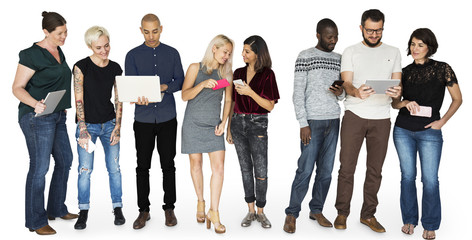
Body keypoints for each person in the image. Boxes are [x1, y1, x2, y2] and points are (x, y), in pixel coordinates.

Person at [333, 9, 402, 233]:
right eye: (370, 30)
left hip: (382, 118)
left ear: (383, 28)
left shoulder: (394, 51)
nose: (374, 34)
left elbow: (398, 89)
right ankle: (342, 213)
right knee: (347, 168)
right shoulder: (351, 51)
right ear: (361, 28)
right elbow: (347, 83)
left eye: (378, 30)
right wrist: (356, 92)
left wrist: (395, 93)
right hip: (354, 115)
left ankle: (368, 215)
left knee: (375, 170)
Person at [392, 28, 462, 240]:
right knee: (407, 177)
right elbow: (395, 103)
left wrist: (442, 121)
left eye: (420, 44)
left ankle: (430, 224)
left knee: (430, 179)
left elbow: (458, 99)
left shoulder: (443, 69)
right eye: (413, 44)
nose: (415, 48)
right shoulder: (404, 71)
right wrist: (404, 102)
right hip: (403, 129)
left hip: (430, 132)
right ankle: (409, 220)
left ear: (429, 46)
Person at [12, 11, 77, 235]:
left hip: (57, 114)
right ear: (46, 32)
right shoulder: (30, 54)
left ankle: (56, 208)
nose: (63, 37)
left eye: (66, 32)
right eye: (59, 33)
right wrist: (35, 104)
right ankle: (36, 220)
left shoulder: (58, 51)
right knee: (40, 167)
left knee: (65, 159)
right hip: (36, 117)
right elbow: (17, 88)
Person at [283, 18, 343, 233]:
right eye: (329, 36)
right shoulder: (305, 56)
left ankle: (316, 209)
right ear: (318, 35)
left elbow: (343, 94)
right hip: (312, 123)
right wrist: (303, 123)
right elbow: (297, 93)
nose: (334, 40)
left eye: (336, 36)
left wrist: (340, 93)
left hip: (334, 120)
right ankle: (292, 213)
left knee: (326, 172)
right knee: (305, 170)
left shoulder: (339, 59)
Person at [125, 13, 184, 229]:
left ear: (161, 28)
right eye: (147, 31)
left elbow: (180, 81)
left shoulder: (172, 53)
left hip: (168, 117)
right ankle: (143, 210)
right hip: (143, 119)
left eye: (155, 31)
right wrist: (136, 96)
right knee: (143, 166)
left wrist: (164, 87)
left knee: (168, 165)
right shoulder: (132, 55)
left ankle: (169, 208)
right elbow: (129, 86)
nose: (151, 36)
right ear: (141, 30)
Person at [72, 26, 125, 230]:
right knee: (85, 170)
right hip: (88, 127)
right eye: (99, 47)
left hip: (109, 123)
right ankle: (83, 211)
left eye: (106, 45)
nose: (104, 50)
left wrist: (118, 126)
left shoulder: (115, 68)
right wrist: (83, 128)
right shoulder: (80, 66)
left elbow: (119, 98)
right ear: (90, 46)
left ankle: (117, 207)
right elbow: (78, 98)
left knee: (115, 169)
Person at [181, 34, 234, 234]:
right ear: (214, 48)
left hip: (214, 126)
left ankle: (214, 211)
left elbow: (228, 101)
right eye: (224, 52)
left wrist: (223, 122)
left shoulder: (226, 75)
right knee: (196, 164)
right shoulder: (195, 68)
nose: (227, 56)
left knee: (219, 169)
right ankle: (201, 203)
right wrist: (202, 84)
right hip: (192, 124)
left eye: (229, 53)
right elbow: (184, 95)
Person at [226, 35, 279, 229]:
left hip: (258, 123)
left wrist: (250, 92)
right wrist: (229, 128)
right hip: (238, 123)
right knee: (245, 168)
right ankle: (250, 210)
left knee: (261, 170)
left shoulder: (267, 74)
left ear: (258, 53)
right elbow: (231, 102)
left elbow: (270, 106)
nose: (243, 54)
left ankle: (261, 211)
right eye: (243, 50)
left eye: (247, 51)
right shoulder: (238, 72)